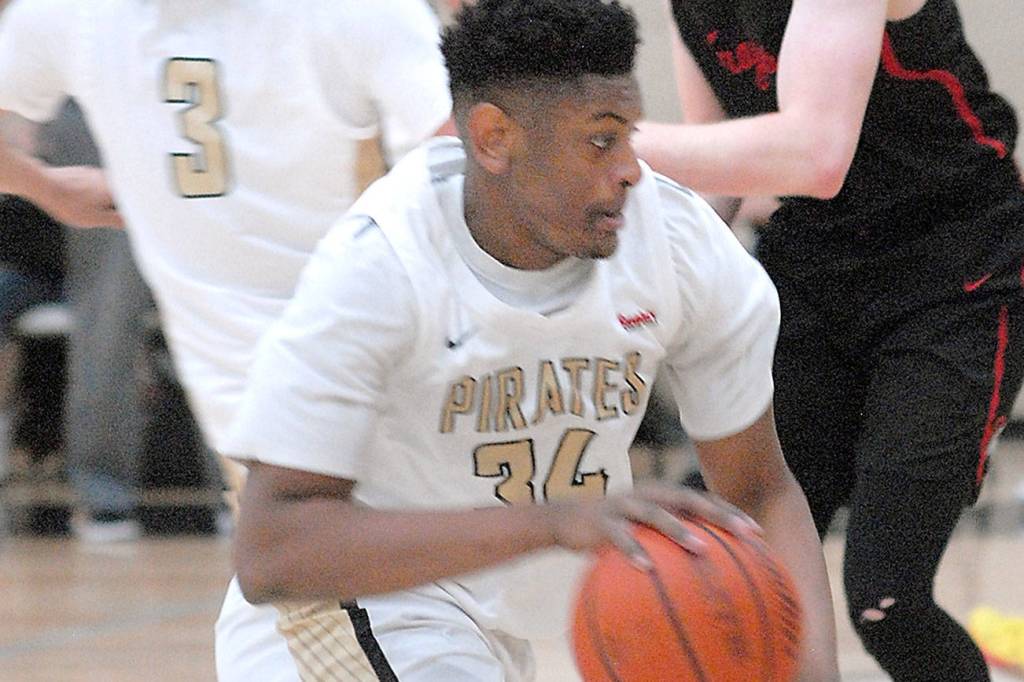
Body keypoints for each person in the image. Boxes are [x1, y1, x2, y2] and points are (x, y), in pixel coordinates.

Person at [225, 1, 839, 680]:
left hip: (494, 630)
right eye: (603, 141)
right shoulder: (379, 266)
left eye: (632, 135)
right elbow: (271, 551)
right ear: (493, 139)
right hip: (345, 614)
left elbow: (759, 492)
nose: (632, 168)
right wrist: (553, 524)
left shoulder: (677, 245)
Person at [0, 0, 453, 678]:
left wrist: (44, 189)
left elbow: (458, 150)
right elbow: (461, 150)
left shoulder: (70, 14)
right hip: (293, 427)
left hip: (359, 403)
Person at [633, 1, 1024, 679]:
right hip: (816, 272)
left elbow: (815, 155)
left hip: (956, 277)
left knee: (886, 599)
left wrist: (600, 137)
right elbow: (721, 167)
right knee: (729, 554)